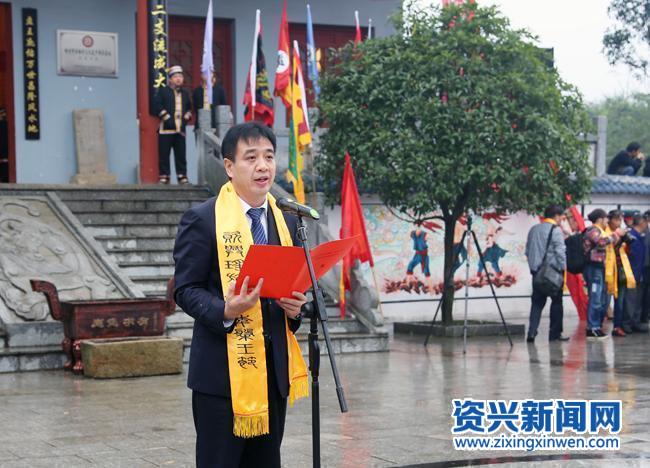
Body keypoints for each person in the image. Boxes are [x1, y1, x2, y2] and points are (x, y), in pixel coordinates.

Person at [173, 122, 309, 467]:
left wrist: (296, 310)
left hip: (273, 375)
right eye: (251, 158)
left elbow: (292, 287)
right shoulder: (203, 219)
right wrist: (226, 309)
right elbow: (185, 289)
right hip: (221, 377)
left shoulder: (288, 221)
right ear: (229, 166)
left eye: (269, 157)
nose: (263, 166)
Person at [525, 204, 569, 343]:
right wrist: (563, 268)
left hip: (536, 273)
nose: (562, 219)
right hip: (552, 274)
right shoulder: (556, 230)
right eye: (561, 217)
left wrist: (534, 268)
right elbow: (560, 252)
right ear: (556, 216)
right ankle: (554, 333)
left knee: (536, 303)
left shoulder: (533, 229)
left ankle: (532, 331)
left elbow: (528, 251)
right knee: (556, 303)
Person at [582, 209, 627, 339]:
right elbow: (601, 242)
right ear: (600, 219)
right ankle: (592, 328)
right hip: (593, 268)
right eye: (605, 218)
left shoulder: (599, 231)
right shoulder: (593, 230)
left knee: (600, 299)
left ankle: (596, 327)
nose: (607, 221)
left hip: (599, 268)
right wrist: (616, 234)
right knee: (595, 299)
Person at [154, 65, 192, 185]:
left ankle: (182, 176)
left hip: (180, 129)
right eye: (175, 77)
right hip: (166, 129)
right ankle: (164, 176)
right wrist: (167, 118)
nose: (178, 79)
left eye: (180, 76)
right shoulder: (163, 91)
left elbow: (189, 109)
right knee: (164, 154)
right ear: (170, 79)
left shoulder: (185, 93)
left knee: (181, 154)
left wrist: (186, 118)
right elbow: (157, 106)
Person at [605, 210, 636, 337]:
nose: (618, 223)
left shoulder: (621, 233)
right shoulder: (605, 232)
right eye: (616, 220)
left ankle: (617, 326)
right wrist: (617, 236)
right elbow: (607, 247)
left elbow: (626, 251)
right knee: (604, 301)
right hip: (607, 271)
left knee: (620, 301)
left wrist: (626, 242)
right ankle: (595, 327)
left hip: (620, 271)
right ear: (609, 220)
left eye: (620, 220)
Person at [624, 213, 648, 332]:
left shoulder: (639, 237)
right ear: (641, 223)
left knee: (638, 300)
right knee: (631, 300)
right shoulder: (631, 237)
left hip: (640, 272)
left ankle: (635, 322)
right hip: (632, 273)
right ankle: (627, 323)